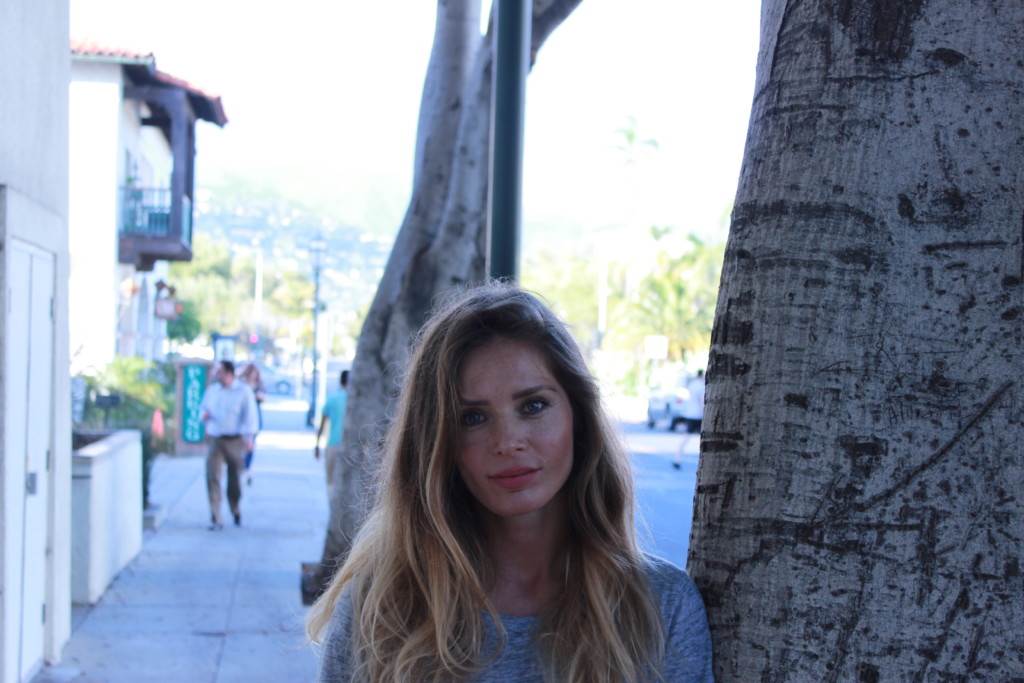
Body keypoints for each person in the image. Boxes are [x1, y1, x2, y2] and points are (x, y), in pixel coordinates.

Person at [309, 283, 713, 682]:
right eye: (473, 417)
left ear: (578, 417)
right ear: (437, 442)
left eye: (533, 406)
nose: (507, 442)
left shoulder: (661, 607)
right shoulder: (379, 611)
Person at [199, 360, 258, 529]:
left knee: (234, 479)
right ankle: (216, 515)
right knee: (212, 476)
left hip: (235, 439)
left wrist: (250, 438)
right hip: (215, 438)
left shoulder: (243, 391)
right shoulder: (213, 390)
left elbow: (250, 416)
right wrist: (204, 416)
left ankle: (235, 507)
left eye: (220, 372)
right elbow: (203, 408)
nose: (217, 375)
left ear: (228, 373)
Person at [314, 369, 349, 500]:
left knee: (331, 482)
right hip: (351, 447)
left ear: (340, 382)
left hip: (333, 445)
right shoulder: (356, 401)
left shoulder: (332, 399)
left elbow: (322, 425)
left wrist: (317, 445)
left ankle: (333, 507)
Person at [239, 363, 266, 485]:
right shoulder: (242, 384)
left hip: (255, 417)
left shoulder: (258, 385)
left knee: (251, 444)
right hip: (242, 417)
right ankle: (241, 465)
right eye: (251, 373)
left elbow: (264, 397)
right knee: (241, 444)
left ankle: (247, 467)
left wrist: (257, 396)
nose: (253, 375)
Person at [673, 369, 705, 471]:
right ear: (702, 375)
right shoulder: (701, 386)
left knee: (686, 438)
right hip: (698, 415)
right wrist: (704, 413)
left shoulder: (691, 384)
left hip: (690, 414)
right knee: (704, 439)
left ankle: (677, 458)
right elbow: (701, 401)